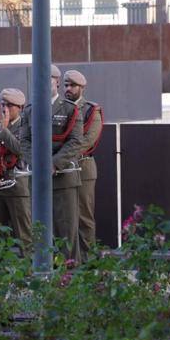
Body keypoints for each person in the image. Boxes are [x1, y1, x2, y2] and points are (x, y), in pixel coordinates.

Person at [18, 65, 84, 261]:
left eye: (48, 80)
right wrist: (39, 165)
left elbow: (75, 141)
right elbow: (25, 141)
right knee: (40, 227)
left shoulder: (70, 109)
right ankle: (43, 267)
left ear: (56, 81)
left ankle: (70, 272)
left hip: (63, 178)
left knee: (66, 228)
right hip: (38, 178)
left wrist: (54, 164)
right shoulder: (30, 110)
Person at [0, 88, 31, 247]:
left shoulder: (27, 127)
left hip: (17, 186)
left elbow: (22, 150)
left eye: (10, 105)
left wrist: (4, 131)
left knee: (23, 232)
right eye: (3, 104)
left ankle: (30, 267)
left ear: (20, 108)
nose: (5, 109)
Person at [64, 69, 103, 257]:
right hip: (63, 169)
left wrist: (61, 158)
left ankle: (89, 259)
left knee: (84, 217)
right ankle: (71, 259)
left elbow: (88, 140)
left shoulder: (90, 110)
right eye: (66, 85)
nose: (68, 89)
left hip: (83, 167)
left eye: (72, 85)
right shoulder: (60, 109)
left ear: (82, 88)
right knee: (66, 217)